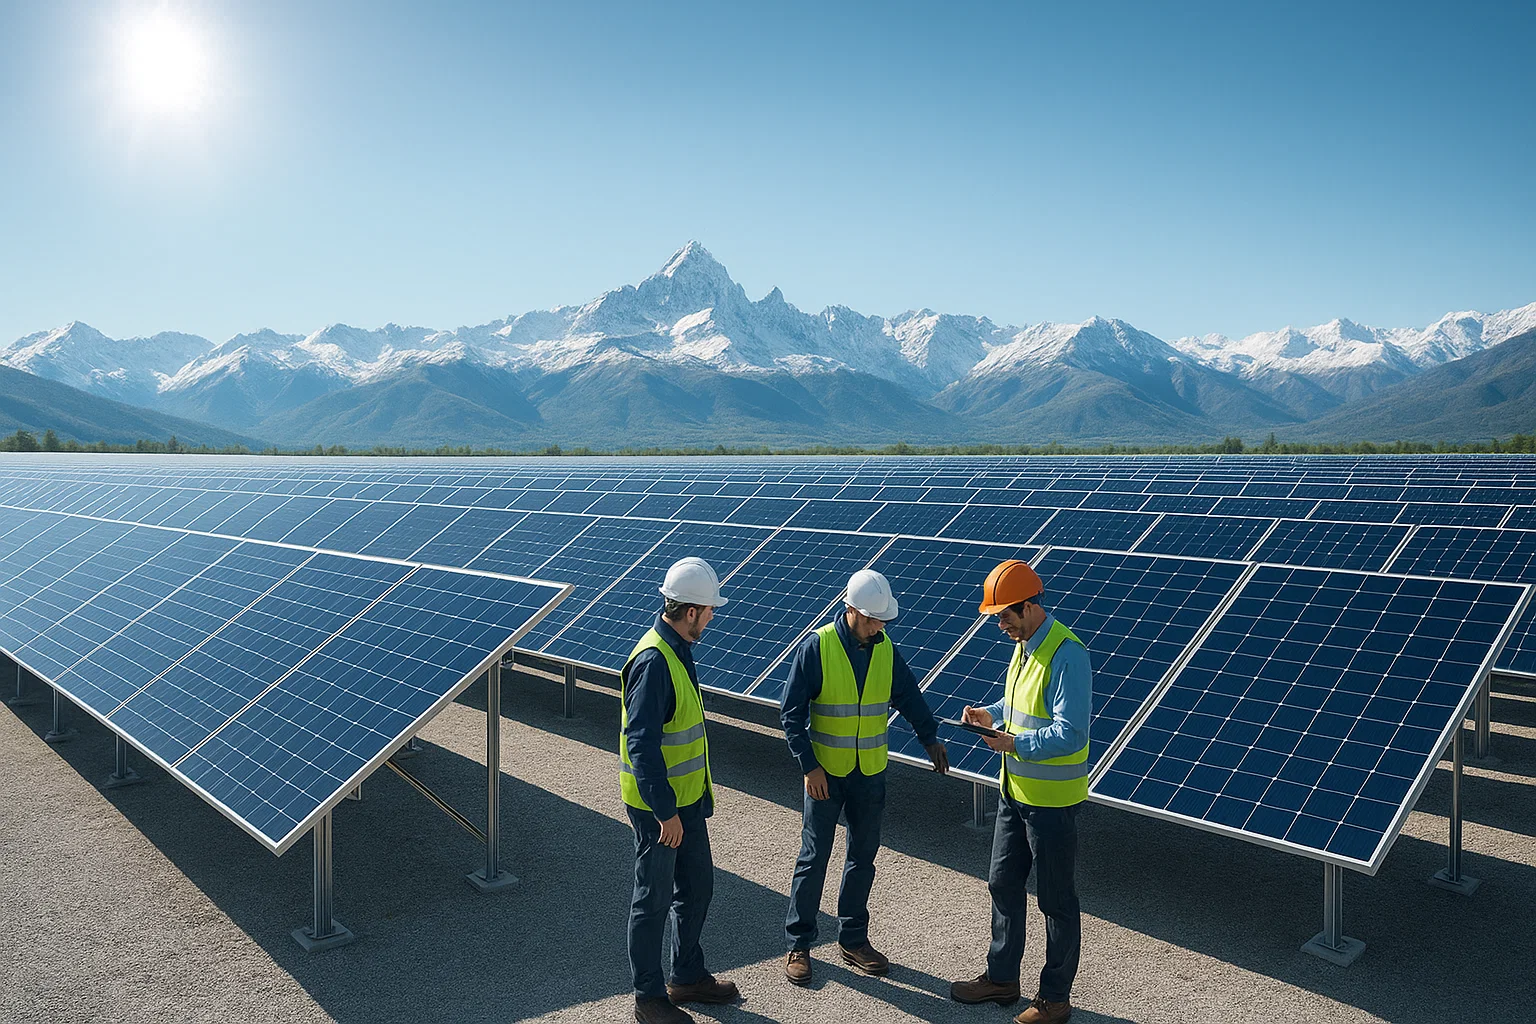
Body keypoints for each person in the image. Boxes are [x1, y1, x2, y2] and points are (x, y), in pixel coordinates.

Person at [779, 568, 950, 985]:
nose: (879, 626)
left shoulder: (885, 649)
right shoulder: (816, 648)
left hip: (869, 773)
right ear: (850, 609)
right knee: (813, 857)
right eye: (872, 619)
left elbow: (908, 694)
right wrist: (808, 766)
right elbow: (790, 714)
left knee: (863, 857)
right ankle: (798, 943)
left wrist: (930, 738)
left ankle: (853, 939)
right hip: (825, 775)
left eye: (883, 620)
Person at [950, 559, 1091, 1024]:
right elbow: (1018, 706)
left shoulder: (1067, 654)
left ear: (1028, 607)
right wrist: (991, 714)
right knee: (1002, 882)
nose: (1000, 625)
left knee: (1055, 901)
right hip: (1014, 791)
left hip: (1051, 804)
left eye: (1004, 616)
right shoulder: (1026, 644)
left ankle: (1055, 999)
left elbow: (1071, 734)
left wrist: (1014, 743)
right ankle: (1003, 979)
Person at [621, 557, 740, 1024]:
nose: (712, 616)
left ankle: (686, 975)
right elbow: (642, 745)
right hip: (661, 808)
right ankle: (648, 996)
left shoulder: (676, 650)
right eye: (709, 610)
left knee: (697, 887)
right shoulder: (654, 661)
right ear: (690, 611)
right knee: (652, 898)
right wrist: (664, 811)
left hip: (685, 801)